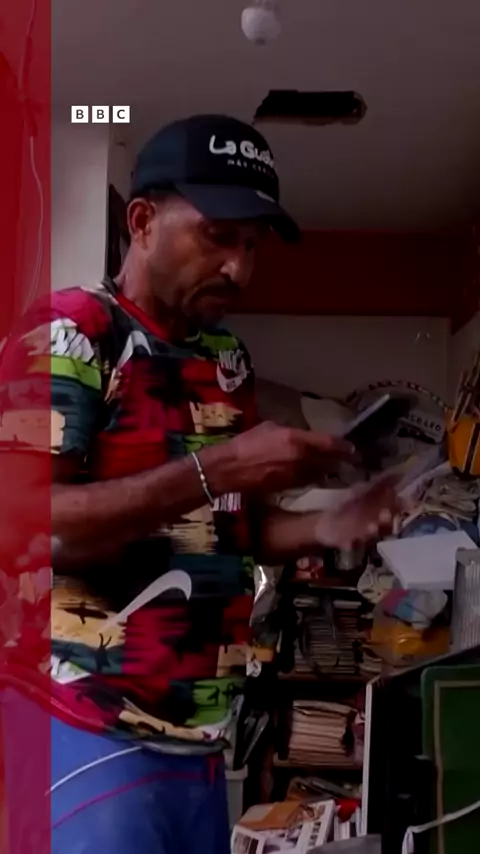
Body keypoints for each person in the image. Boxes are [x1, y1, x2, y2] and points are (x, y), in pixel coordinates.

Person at [1, 114, 399, 853]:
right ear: (142, 221)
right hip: (83, 721)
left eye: (252, 245)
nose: (239, 269)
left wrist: (327, 525)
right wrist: (218, 467)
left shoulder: (224, 357)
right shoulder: (73, 330)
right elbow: (21, 521)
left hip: (198, 739)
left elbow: (228, 528)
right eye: (218, 236)